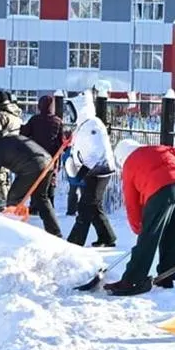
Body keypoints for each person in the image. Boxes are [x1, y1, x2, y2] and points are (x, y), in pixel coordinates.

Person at [105, 144, 175, 297]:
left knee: (149, 237)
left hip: (162, 189)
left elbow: (131, 202)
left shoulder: (129, 164)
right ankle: (167, 277)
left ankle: (133, 281)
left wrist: (139, 228)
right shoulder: (158, 148)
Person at [64, 91, 119, 248]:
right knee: (93, 205)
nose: (70, 114)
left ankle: (74, 243)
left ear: (80, 109)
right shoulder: (84, 125)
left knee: (85, 206)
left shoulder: (93, 125)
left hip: (99, 171)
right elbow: (81, 147)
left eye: (72, 110)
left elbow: (95, 152)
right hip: (91, 171)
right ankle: (107, 237)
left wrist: (81, 172)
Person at [0, 132, 62, 236]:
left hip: (32, 167)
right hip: (47, 162)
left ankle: (15, 234)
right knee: (41, 197)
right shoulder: (9, 138)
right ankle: (55, 233)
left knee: (14, 198)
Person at [21, 94, 66, 209]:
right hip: (51, 157)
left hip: (36, 156)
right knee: (50, 181)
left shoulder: (34, 120)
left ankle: (34, 205)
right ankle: (49, 205)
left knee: (36, 180)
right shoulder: (57, 121)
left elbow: (24, 133)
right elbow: (62, 142)